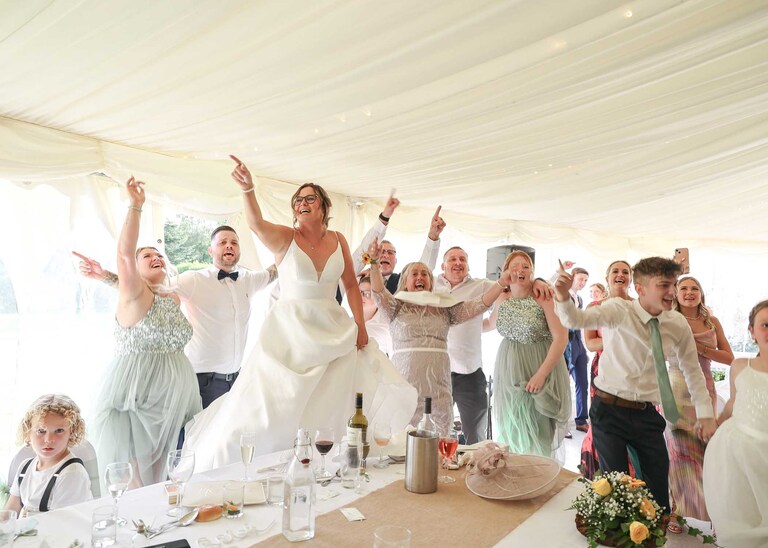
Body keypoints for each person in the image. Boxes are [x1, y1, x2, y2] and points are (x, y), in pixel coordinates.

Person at [183, 156, 417, 469]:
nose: (303, 203)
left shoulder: (339, 241)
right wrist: (249, 189)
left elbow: (349, 284)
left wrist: (360, 325)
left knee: (333, 396)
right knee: (276, 404)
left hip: (332, 324)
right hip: (290, 331)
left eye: (310, 198)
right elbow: (255, 224)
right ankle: (262, 462)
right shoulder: (285, 237)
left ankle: (328, 461)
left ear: (323, 207)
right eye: (299, 200)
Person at [554, 256, 716, 515]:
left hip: (647, 414)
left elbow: (692, 371)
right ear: (640, 288)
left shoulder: (676, 323)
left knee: (658, 491)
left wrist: (706, 413)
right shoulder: (618, 309)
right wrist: (562, 295)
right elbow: (575, 319)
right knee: (617, 489)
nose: (671, 291)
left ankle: (656, 535)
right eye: (664, 285)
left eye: (673, 284)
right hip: (609, 410)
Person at [76, 225, 277, 409]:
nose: (229, 246)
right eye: (222, 242)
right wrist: (104, 276)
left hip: (237, 380)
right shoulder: (194, 280)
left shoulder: (249, 280)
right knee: (196, 441)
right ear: (210, 251)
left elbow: (274, 272)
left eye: (234, 242)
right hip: (203, 380)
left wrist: (294, 246)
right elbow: (146, 288)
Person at [90, 177, 202, 486]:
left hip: (176, 403)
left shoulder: (173, 298)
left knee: (170, 478)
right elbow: (125, 255)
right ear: (133, 272)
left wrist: (106, 277)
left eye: (159, 255)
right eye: (147, 255)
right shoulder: (133, 297)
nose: (156, 258)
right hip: (137, 405)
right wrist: (136, 206)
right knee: (139, 484)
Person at [369, 241, 512, 435]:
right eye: (415, 274)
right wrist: (374, 263)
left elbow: (479, 305)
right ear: (405, 280)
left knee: (441, 438)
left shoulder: (444, 308)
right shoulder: (395, 306)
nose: (421, 277)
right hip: (406, 385)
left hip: (439, 387)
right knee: (403, 439)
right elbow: (378, 291)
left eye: (425, 274)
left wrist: (501, 283)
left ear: (431, 281)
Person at [434, 246, 552, 444]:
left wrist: (539, 280)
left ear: (468, 264)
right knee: (434, 432)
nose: (458, 263)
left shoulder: (481, 285)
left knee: (475, 437)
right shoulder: (432, 284)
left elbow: (515, 284)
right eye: (453, 259)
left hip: (469, 373)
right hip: (436, 371)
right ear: (443, 265)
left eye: (462, 259)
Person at [488, 251, 571, 460]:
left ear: (533, 272)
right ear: (506, 271)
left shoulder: (543, 297)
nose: (520, 270)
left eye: (525, 266)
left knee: (539, 430)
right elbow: (489, 324)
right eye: (514, 266)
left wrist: (541, 375)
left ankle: (539, 480)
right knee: (511, 428)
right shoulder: (501, 297)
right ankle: (516, 480)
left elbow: (561, 338)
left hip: (538, 366)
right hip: (508, 371)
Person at [666, 276, 733, 532]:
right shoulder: (668, 319)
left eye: (695, 288)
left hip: (705, 389)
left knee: (708, 452)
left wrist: (698, 348)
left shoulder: (711, 321)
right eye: (684, 288)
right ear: (676, 293)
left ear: (701, 294)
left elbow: (729, 357)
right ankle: (676, 511)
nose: (689, 292)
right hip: (676, 390)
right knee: (679, 453)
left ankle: (716, 511)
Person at [703, 300, 768, 548]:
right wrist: (715, 424)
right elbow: (732, 403)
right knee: (741, 518)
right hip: (737, 456)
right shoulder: (741, 366)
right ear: (752, 331)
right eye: (765, 325)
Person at [579, 260, 641, 480]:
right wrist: (619, 340)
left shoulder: (639, 306)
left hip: (635, 372)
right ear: (607, 278)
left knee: (634, 423)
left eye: (625, 272)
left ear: (631, 279)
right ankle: (604, 478)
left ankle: (635, 478)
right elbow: (591, 343)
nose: (620, 274)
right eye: (615, 271)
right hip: (603, 371)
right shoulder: (594, 308)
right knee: (605, 424)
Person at [5, 394, 92, 516]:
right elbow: (9, 513)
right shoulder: (25, 467)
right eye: (41, 431)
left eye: (59, 431)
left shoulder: (72, 473)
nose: (49, 439)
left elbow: (60, 525)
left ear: (72, 432)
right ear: (28, 431)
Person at [567, 267, 590, 434]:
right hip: (564, 344)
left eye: (585, 280)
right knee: (562, 384)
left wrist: (584, 348)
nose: (582, 283)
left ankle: (581, 420)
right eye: (580, 279)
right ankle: (560, 424)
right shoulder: (561, 295)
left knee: (583, 382)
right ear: (572, 278)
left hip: (578, 344)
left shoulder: (580, 299)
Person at [357, 271, 392, 356]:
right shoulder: (348, 323)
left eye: (367, 294)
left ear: (378, 299)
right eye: (359, 293)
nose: (361, 297)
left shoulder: (388, 326)